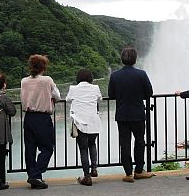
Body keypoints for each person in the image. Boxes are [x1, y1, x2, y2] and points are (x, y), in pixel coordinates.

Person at [108, 47, 155, 183]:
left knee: (125, 143)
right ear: (135, 59)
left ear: (122, 59)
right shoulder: (141, 74)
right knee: (140, 142)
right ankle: (139, 171)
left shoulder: (115, 75)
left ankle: (128, 173)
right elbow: (149, 93)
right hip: (138, 113)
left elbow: (111, 95)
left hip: (122, 114)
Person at [20, 54, 61, 190]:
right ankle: (36, 174)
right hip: (43, 118)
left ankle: (33, 175)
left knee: (30, 149)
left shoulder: (24, 81)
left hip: (28, 117)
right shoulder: (47, 80)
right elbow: (57, 96)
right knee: (47, 147)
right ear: (43, 67)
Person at [66, 69, 102, 186]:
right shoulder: (95, 88)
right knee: (92, 144)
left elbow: (68, 100)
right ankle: (94, 168)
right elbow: (99, 99)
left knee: (83, 149)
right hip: (93, 122)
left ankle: (87, 177)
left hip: (80, 123)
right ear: (91, 78)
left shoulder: (73, 89)